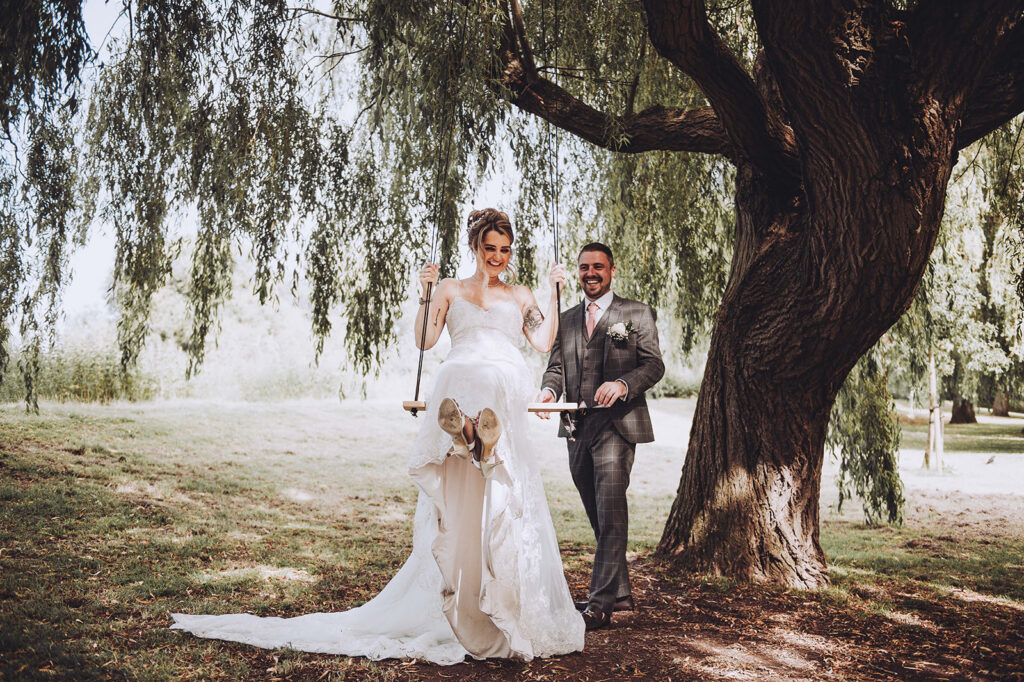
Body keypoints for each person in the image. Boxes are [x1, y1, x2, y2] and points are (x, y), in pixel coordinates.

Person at [170, 209, 585, 664]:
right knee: (456, 368)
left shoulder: (521, 293)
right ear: (474, 248)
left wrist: (553, 288)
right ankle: (468, 435)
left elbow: (544, 343)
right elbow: (426, 341)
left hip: (502, 374)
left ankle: (479, 439)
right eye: (490, 249)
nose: (498, 259)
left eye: (505, 251)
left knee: (485, 372)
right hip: (461, 370)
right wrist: (425, 292)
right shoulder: (450, 288)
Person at [537, 242, 664, 631]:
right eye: (584, 268)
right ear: (577, 272)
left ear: (611, 269)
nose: (590, 274)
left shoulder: (636, 313)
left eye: (598, 267)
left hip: (617, 426)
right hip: (577, 428)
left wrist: (624, 384)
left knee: (610, 509)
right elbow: (556, 367)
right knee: (598, 513)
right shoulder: (568, 318)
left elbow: (654, 365)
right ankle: (619, 591)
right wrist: (548, 391)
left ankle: (600, 604)